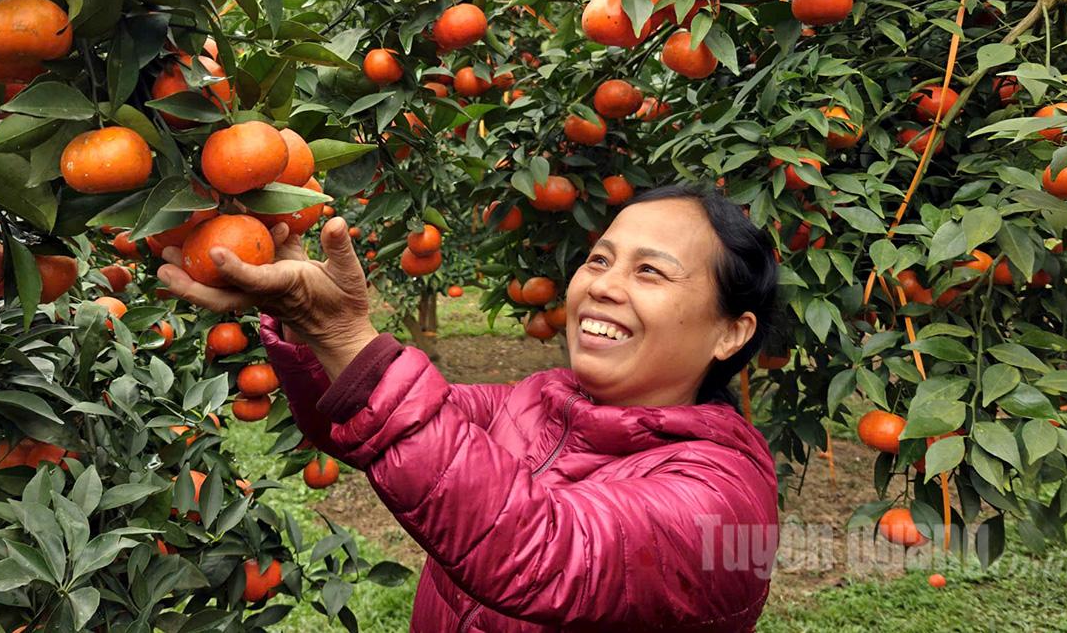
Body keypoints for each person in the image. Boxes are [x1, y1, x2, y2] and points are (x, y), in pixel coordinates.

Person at [156, 182, 782, 631]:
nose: (604, 285)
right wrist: (305, 323)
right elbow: (362, 419)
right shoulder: (535, 404)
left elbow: (546, 549)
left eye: (651, 272)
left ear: (731, 332)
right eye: (599, 259)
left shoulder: (722, 498)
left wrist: (348, 335)